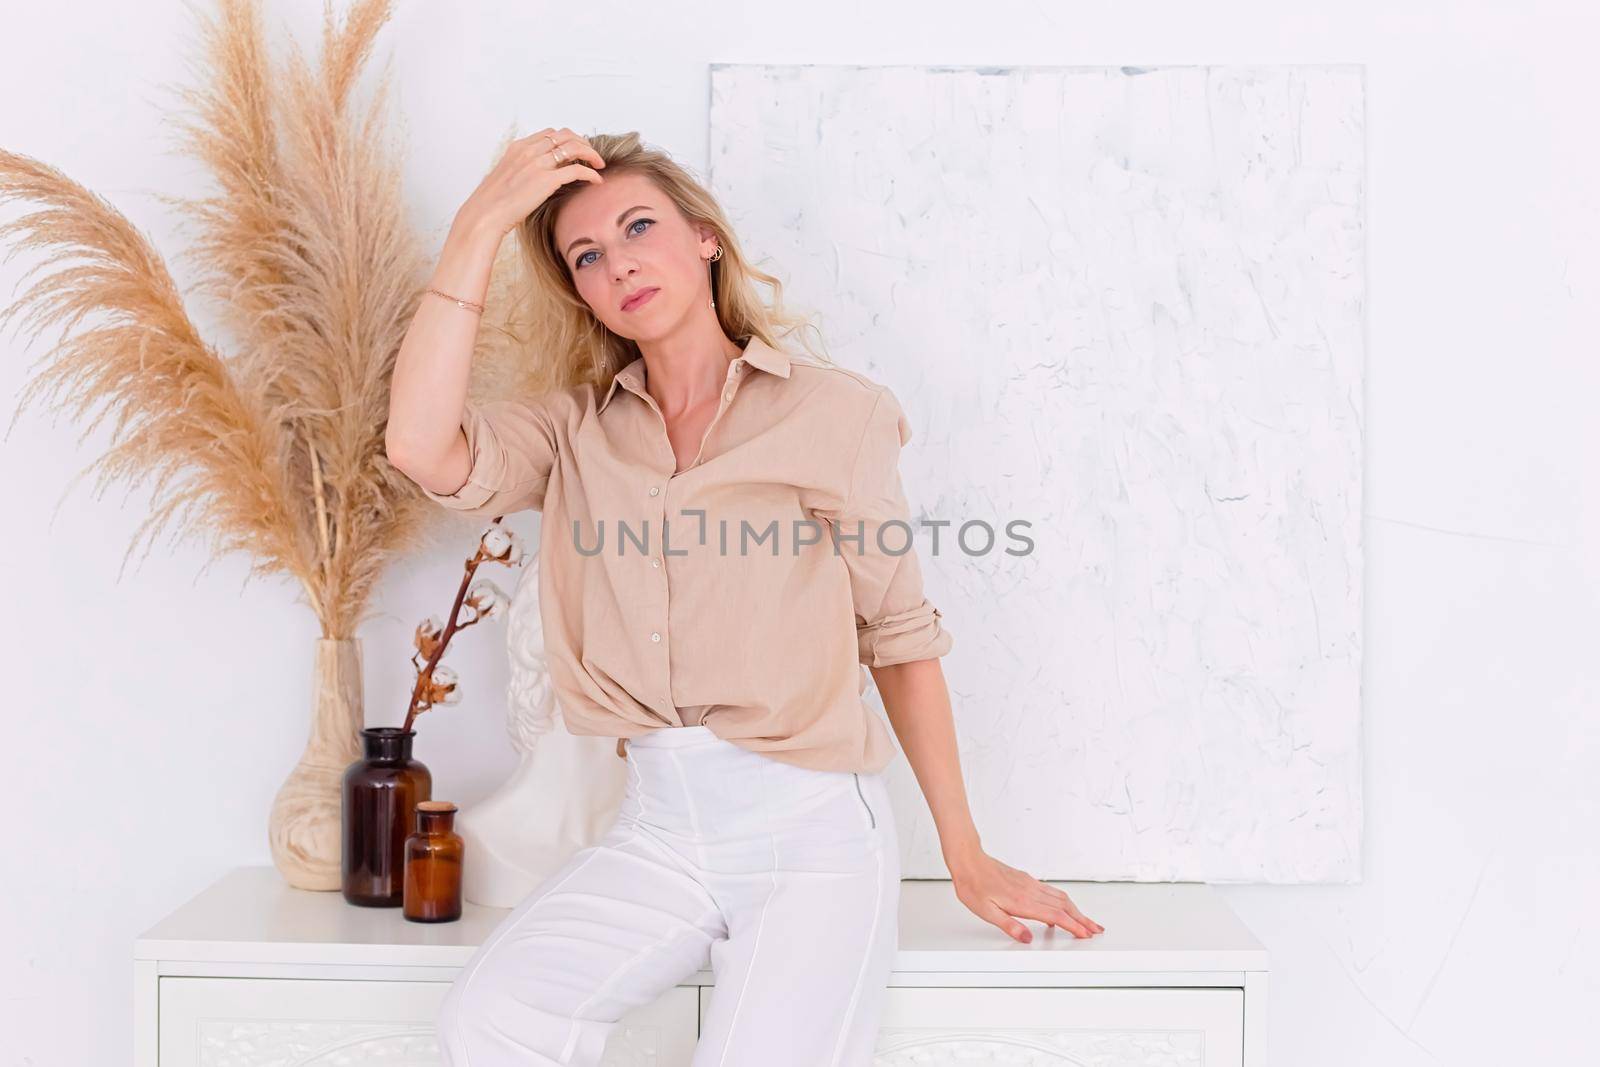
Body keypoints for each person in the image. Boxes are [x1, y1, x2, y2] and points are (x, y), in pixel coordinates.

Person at [386, 127, 1104, 1067]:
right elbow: (420, 445)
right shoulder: (576, 433)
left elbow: (898, 638)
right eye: (588, 256)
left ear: (704, 239)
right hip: (656, 825)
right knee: (493, 1016)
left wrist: (964, 854)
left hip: (811, 835)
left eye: (640, 226)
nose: (620, 263)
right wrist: (479, 225)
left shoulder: (834, 414)